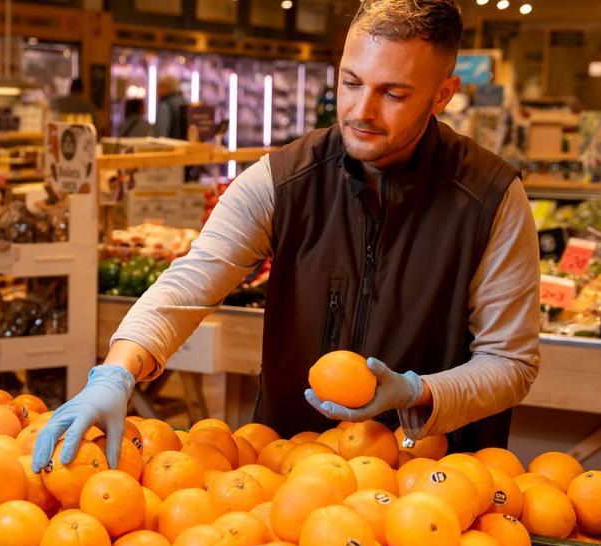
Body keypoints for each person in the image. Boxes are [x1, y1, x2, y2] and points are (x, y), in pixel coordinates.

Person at [32, 0, 540, 472]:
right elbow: (188, 282)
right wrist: (117, 373)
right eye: (351, 82)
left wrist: (416, 392)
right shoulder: (284, 179)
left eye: (393, 93)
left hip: (434, 485)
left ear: (442, 96)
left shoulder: (490, 197)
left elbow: (511, 362)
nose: (362, 111)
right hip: (287, 473)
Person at [153, 74, 186, 140]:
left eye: (159, 87)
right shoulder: (183, 102)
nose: (157, 91)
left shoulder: (165, 105)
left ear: (166, 87)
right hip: (183, 146)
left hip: (170, 147)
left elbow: (161, 133)